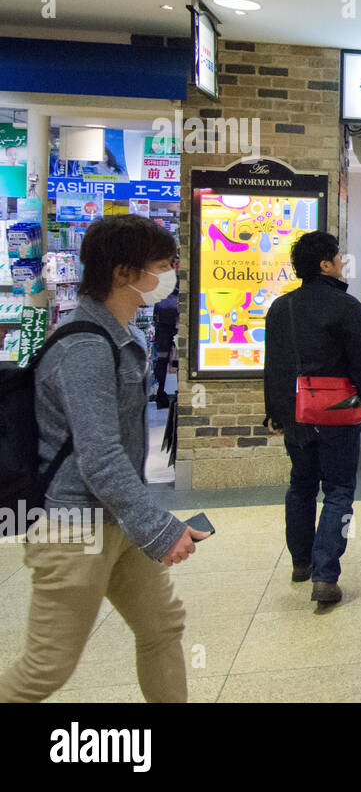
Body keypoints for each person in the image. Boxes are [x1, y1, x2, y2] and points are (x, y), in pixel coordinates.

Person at [0, 215, 203, 703]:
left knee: (162, 626)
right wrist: (158, 528)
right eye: (161, 265)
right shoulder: (87, 345)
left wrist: (148, 523)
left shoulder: (118, 334)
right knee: (46, 667)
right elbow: (100, 455)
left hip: (116, 520)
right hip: (76, 526)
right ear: (123, 272)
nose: (169, 273)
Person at [264, 230, 361, 604]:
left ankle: (301, 562)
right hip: (338, 410)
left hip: (296, 412)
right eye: (338, 258)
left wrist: (274, 412)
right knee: (339, 490)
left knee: (301, 485)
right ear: (325, 264)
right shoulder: (348, 307)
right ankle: (326, 575)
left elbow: (275, 366)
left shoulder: (282, 308)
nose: (343, 263)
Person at [151, 256, 180, 409]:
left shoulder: (161, 279)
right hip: (175, 323)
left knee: (163, 359)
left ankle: (160, 394)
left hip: (162, 323)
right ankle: (176, 393)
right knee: (177, 359)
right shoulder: (180, 280)